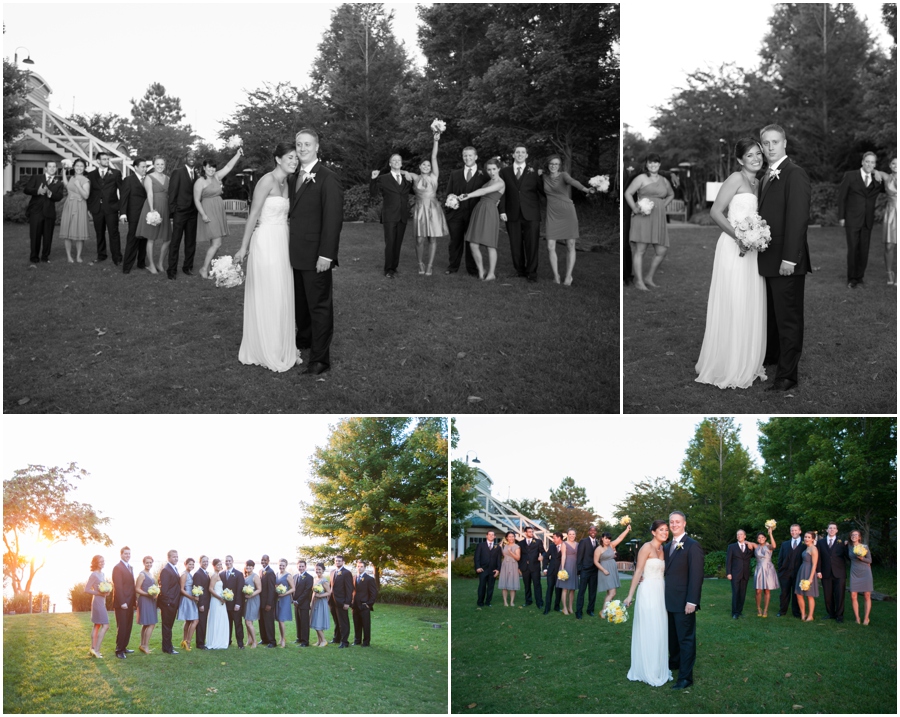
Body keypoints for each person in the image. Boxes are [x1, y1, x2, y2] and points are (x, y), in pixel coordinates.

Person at [695, 138, 768, 389]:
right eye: (749, 155)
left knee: (749, 301)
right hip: (733, 246)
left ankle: (747, 361)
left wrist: (756, 236)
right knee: (734, 300)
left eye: (758, 153)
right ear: (739, 160)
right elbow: (715, 212)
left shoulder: (759, 182)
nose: (756, 158)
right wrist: (740, 237)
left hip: (752, 249)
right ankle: (727, 363)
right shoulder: (735, 179)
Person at [235, 143, 299, 373]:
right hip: (266, 242)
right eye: (290, 157)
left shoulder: (288, 182)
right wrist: (243, 248)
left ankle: (281, 345)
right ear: (278, 159)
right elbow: (253, 214)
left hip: (283, 240)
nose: (294, 161)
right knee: (268, 291)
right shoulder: (266, 180)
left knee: (281, 292)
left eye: (296, 158)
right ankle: (264, 348)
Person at [757, 124, 812, 392]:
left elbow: (798, 219)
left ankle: (788, 375)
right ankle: (773, 358)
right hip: (767, 257)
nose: (770, 147)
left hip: (786, 260)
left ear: (785, 143)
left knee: (788, 318)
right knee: (772, 315)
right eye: (765, 143)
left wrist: (790, 258)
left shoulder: (795, 174)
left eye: (774, 142)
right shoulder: (766, 174)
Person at [289, 129, 343, 376]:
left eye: (307, 144)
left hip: (316, 256)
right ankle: (305, 339)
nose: (302, 148)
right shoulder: (293, 176)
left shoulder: (327, 177)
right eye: (299, 144)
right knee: (301, 305)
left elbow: (333, 220)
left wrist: (326, 255)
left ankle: (320, 359)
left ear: (317, 147)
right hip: (295, 254)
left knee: (319, 307)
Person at [624, 520, 672, 687]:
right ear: (653, 532)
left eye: (666, 530)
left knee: (659, 629)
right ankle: (646, 668)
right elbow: (638, 570)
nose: (665, 532)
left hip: (661, 591)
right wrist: (630, 595)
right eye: (661, 530)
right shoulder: (646, 547)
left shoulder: (664, 549)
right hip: (648, 591)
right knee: (649, 627)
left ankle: (658, 667)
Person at [664, 510, 704, 690]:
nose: (674, 525)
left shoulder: (692, 545)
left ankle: (686, 678)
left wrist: (692, 601)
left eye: (677, 522)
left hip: (684, 603)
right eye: (671, 522)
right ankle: (674, 664)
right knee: (672, 638)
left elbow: (696, 575)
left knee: (686, 640)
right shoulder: (666, 547)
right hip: (668, 601)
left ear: (684, 524)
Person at [401, 133, 449, 275]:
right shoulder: (415, 177)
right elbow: (398, 171)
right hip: (420, 208)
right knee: (419, 239)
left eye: (428, 165)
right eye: (424, 164)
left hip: (433, 208)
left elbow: (434, 156)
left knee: (432, 238)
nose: (427, 166)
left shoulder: (434, 176)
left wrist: (436, 140)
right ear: (420, 166)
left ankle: (430, 265)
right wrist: (406, 173)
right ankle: (420, 263)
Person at [542, 155, 595, 285]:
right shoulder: (543, 177)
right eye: (551, 163)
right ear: (547, 165)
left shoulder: (564, 175)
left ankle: (568, 276)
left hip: (567, 212)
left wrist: (586, 189)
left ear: (559, 166)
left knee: (570, 245)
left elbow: (573, 182)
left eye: (556, 164)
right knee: (550, 246)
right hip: (552, 214)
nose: (553, 166)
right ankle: (556, 276)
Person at [625, 153, 674, 290]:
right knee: (640, 250)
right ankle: (639, 281)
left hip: (658, 218)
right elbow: (628, 193)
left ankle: (648, 277)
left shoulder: (664, 180)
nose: (653, 165)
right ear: (646, 164)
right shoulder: (641, 178)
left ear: (659, 164)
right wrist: (635, 208)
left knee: (662, 251)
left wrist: (662, 205)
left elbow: (671, 194)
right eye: (650, 163)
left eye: (656, 163)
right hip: (643, 216)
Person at [499, 144, 545, 282]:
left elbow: (543, 191)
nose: (519, 154)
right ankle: (520, 270)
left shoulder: (535, 172)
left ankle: (532, 273)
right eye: (517, 152)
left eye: (522, 152)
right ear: (513, 155)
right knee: (515, 244)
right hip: (512, 213)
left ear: (526, 155)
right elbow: (502, 192)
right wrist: (502, 210)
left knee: (532, 244)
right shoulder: (505, 172)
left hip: (531, 213)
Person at [837, 151, 884, 288]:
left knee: (864, 250)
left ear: (875, 165)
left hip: (867, 220)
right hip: (852, 219)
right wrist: (841, 217)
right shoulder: (850, 176)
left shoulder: (877, 179)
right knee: (853, 249)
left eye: (872, 162)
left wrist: (878, 172)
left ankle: (860, 277)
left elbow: (892, 182)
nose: (869, 164)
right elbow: (842, 198)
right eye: (867, 161)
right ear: (862, 162)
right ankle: (852, 279)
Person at [194, 148, 243, 278]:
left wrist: (237, 155)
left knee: (214, 243)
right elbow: (196, 200)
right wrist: (203, 215)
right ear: (204, 168)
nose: (211, 170)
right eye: (209, 167)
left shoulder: (217, 176)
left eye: (213, 168)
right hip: (208, 211)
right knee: (217, 243)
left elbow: (228, 166)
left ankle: (211, 268)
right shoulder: (200, 182)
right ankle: (204, 269)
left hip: (218, 211)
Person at [459, 157, 505, 280]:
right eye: (489, 170)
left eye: (494, 169)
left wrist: (467, 195)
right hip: (479, 210)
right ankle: (481, 271)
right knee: (473, 244)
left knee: (490, 245)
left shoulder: (500, 183)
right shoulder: (489, 180)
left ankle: (491, 274)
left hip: (489, 212)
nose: (491, 172)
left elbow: (484, 191)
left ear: (499, 169)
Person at [443, 145, 485, 276]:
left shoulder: (484, 174)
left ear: (476, 157)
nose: (467, 158)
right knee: (455, 241)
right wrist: (450, 203)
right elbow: (449, 192)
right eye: (465, 155)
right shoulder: (455, 174)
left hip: (474, 213)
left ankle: (472, 269)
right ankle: (453, 266)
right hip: (456, 214)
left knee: (472, 241)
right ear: (462, 157)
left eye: (470, 155)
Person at [370, 153, 412, 278]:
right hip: (389, 216)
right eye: (394, 160)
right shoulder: (383, 178)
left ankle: (394, 267)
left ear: (401, 163)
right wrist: (373, 179)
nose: (396, 162)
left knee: (398, 243)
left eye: (399, 160)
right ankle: (388, 269)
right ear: (390, 164)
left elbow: (416, 190)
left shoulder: (407, 179)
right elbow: (373, 193)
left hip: (402, 216)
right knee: (390, 242)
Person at [85, 152, 123, 264]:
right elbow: (90, 192)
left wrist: (120, 206)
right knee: (99, 233)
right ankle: (101, 255)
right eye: (104, 159)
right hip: (97, 209)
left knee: (114, 233)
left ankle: (117, 257)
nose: (107, 161)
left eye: (108, 159)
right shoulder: (91, 175)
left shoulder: (116, 173)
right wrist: (90, 207)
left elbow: (122, 190)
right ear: (98, 161)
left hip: (111, 208)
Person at [25, 160, 65, 264]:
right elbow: (27, 189)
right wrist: (37, 191)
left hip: (49, 212)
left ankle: (45, 257)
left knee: (48, 236)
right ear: (45, 168)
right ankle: (34, 257)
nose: (52, 168)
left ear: (56, 169)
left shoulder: (59, 183)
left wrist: (50, 193)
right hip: (36, 211)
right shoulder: (37, 178)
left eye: (54, 167)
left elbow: (59, 197)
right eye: (49, 166)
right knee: (35, 235)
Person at [135, 156, 170, 274]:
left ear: (165, 166)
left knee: (168, 238)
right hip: (153, 207)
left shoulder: (168, 178)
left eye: (162, 164)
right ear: (154, 165)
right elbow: (149, 194)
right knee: (151, 238)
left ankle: (160, 263)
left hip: (165, 208)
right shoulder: (149, 178)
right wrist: (152, 211)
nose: (160, 166)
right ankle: (151, 265)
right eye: (158, 164)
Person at [167, 149, 199, 279]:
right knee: (175, 242)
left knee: (190, 242)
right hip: (180, 212)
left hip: (193, 213)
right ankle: (172, 270)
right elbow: (172, 192)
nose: (192, 158)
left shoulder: (197, 175)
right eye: (189, 156)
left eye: (194, 156)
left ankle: (187, 267)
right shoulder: (178, 172)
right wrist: (173, 211)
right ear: (185, 159)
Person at [119, 157, 150, 274]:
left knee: (144, 239)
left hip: (147, 214)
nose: (145, 169)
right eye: (142, 166)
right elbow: (124, 197)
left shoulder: (148, 179)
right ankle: (127, 266)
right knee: (132, 240)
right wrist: (122, 213)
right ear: (135, 167)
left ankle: (141, 263)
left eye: (145, 166)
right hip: (134, 214)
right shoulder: (128, 180)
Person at [594, 524, 632, 617]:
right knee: (612, 592)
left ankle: (606, 610)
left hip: (612, 570)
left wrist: (627, 530)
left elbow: (620, 538)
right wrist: (603, 570)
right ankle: (603, 611)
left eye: (609, 538)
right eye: (606, 538)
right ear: (602, 538)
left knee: (609, 592)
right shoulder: (598, 549)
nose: (608, 540)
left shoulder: (611, 545)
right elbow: (595, 561)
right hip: (605, 571)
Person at [60, 158, 92, 263]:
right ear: (74, 167)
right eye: (77, 166)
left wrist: (79, 185)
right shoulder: (72, 177)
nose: (79, 168)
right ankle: (69, 256)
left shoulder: (85, 180)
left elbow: (86, 196)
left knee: (79, 231)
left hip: (79, 206)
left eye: (81, 166)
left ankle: (78, 256)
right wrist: (64, 172)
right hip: (69, 205)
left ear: (84, 168)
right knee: (67, 231)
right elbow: (67, 185)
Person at [816, 522, 847, 623]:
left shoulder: (842, 542)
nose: (832, 530)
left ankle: (839, 615)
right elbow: (819, 558)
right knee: (827, 595)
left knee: (839, 595)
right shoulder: (821, 542)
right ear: (827, 530)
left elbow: (847, 556)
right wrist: (819, 570)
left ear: (837, 530)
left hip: (839, 573)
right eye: (830, 528)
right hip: (826, 572)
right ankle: (831, 613)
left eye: (834, 528)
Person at [111, 546, 136, 660]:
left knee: (128, 626)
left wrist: (134, 600)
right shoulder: (117, 568)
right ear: (121, 554)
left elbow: (132, 586)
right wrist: (122, 602)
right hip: (122, 603)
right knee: (122, 626)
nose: (128, 555)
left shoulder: (130, 567)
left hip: (130, 602)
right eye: (126, 554)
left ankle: (124, 647)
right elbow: (118, 586)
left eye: (129, 554)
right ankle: (119, 650)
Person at [876, 157, 897, 283]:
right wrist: (877, 172)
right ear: (890, 165)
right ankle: (889, 273)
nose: (896, 165)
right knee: (889, 246)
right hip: (891, 213)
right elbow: (871, 170)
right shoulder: (886, 176)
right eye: (893, 163)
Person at [725, 529, 755, 619]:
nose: (739, 536)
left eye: (741, 534)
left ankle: (739, 611)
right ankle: (734, 612)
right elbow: (728, 561)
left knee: (742, 594)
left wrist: (750, 544)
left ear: (745, 536)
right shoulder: (732, 547)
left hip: (745, 574)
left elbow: (757, 551)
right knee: (736, 593)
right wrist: (728, 573)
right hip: (735, 574)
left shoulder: (749, 547)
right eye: (738, 535)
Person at [776, 524, 804, 618]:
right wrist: (780, 571)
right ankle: (782, 611)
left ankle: (796, 612)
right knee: (784, 593)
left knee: (797, 593)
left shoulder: (804, 544)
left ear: (800, 531)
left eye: (796, 530)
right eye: (792, 530)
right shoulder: (785, 544)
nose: (794, 532)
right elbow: (780, 559)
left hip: (799, 573)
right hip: (785, 573)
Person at [85, 555, 110, 658]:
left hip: (102, 601)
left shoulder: (102, 574)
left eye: (103, 561)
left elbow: (102, 587)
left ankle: (93, 649)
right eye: (100, 562)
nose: (102, 563)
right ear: (95, 563)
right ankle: (97, 651)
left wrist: (107, 591)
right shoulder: (94, 575)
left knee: (97, 625)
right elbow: (86, 589)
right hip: (97, 602)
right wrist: (99, 593)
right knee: (106, 625)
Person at [846, 530, 873, 625]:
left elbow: (870, 560)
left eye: (856, 535)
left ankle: (866, 618)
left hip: (865, 572)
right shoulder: (848, 546)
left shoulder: (865, 547)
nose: (854, 536)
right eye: (852, 534)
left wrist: (862, 558)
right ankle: (857, 618)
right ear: (850, 537)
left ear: (859, 537)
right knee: (853, 596)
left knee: (867, 595)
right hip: (854, 572)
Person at [752, 527, 779, 618]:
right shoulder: (756, 546)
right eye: (759, 538)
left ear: (765, 538)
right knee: (758, 590)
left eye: (762, 537)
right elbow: (746, 542)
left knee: (767, 590)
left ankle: (765, 609)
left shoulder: (768, 546)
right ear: (757, 539)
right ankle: (758, 608)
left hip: (768, 569)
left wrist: (770, 533)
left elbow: (774, 546)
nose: (761, 539)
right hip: (759, 569)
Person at [517, 526, 546, 609]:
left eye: (532, 532)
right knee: (527, 585)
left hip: (535, 567)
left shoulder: (538, 542)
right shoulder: (521, 543)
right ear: (525, 533)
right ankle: (528, 601)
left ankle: (539, 602)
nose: (531, 533)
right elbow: (520, 556)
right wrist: (519, 566)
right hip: (525, 567)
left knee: (537, 585)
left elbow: (544, 552)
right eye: (529, 532)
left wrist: (542, 556)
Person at [220, 555, 245, 649]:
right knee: (227, 624)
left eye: (229, 561)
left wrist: (238, 603)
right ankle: (228, 641)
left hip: (235, 605)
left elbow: (239, 590)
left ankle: (240, 643)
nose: (228, 562)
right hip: (224, 605)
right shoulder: (222, 574)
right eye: (226, 561)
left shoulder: (238, 574)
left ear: (233, 561)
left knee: (237, 623)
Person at [575, 525, 599, 619]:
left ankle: (590, 610)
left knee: (592, 592)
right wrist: (579, 570)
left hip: (594, 571)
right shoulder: (583, 541)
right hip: (585, 571)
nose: (593, 531)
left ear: (596, 532)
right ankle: (579, 612)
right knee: (581, 592)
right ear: (589, 532)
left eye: (594, 530)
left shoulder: (597, 543)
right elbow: (579, 556)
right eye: (591, 530)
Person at [158, 549, 180, 654]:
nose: (176, 558)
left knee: (169, 626)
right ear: (169, 558)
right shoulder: (166, 570)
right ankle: (167, 649)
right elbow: (164, 589)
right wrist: (167, 602)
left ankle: (168, 646)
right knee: (167, 626)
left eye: (177, 556)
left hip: (173, 602)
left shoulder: (174, 569)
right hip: (168, 603)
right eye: (174, 557)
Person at [134, 555, 158, 654]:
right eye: (147, 562)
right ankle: (146, 646)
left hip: (151, 600)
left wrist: (155, 593)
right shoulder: (142, 574)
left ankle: (142, 645)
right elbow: (137, 588)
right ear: (144, 563)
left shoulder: (150, 574)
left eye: (150, 562)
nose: (149, 564)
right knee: (151, 624)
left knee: (146, 624)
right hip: (144, 600)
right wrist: (148, 594)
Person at [352, 559, 378, 647]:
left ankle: (366, 642)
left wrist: (368, 604)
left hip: (364, 606)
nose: (359, 568)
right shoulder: (354, 578)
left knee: (365, 625)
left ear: (365, 568)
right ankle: (357, 640)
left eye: (361, 567)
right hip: (355, 606)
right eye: (358, 566)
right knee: (356, 624)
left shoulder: (369, 579)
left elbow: (373, 593)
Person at [205, 558, 230, 649]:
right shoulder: (215, 575)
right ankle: (215, 641)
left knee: (221, 619)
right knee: (216, 619)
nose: (219, 566)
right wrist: (220, 597)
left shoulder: (218, 575)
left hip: (221, 600)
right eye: (217, 565)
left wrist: (225, 596)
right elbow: (210, 589)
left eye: (220, 564)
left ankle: (220, 640)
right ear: (214, 566)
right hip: (216, 600)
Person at [331, 554, 354, 648]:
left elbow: (349, 589)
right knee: (336, 621)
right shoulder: (332, 572)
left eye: (339, 561)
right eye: (336, 561)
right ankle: (337, 638)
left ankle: (344, 641)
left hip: (342, 601)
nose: (337, 562)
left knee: (343, 622)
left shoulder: (346, 573)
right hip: (332, 601)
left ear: (343, 562)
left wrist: (347, 602)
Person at [795, 531, 819, 621]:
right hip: (802, 571)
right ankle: (803, 614)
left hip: (809, 572)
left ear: (813, 539)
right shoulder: (806, 548)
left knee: (809, 595)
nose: (806, 539)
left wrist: (810, 578)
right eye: (805, 537)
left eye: (809, 537)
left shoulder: (814, 549)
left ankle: (810, 615)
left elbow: (814, 565)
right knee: (799, 594)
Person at [176, 557, 199, 650]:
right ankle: (188, 642)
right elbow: (181, 589)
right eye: (190, 564)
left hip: (190, 598)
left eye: (193, 564)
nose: (191, 566)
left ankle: (184, 640)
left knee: (189, 621)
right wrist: (192, 597)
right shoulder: (184, 574)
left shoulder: (189, 574)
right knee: (195, 620)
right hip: (187, 598)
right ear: (185, 564)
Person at [474, 530, 501, 608]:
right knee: (482, 586)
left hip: (492, 570)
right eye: (489, 534)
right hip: (483, 569)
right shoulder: (481, 545)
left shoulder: (497, 547)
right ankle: (480, 602)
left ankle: (488, 602)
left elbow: (499, 559)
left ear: (495, 536)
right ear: (486, 536)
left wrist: (498, 569)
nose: (491, 536)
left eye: (493, 535)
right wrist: (478, 567)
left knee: (490, 587)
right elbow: (477, 557)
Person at [557, 529, 579, 615]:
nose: (572, 536)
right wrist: (562, 568)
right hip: (567, 566)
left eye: (573, 534)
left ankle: (570, 607)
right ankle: (564, 608)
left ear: (575, 535)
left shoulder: (578, 544)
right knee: (565, 588)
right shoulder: (564, 544)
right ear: (567, 535)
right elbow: (563, 556)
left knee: (572, 589)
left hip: (575, 567)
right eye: (570, 534)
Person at [542, 532, 564, 615]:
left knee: (558, 590)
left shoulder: (565, 546)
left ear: (559, 538)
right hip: (551, 571)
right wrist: (545, 568)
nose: (553, 539)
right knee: (549, 589)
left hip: (561, 572)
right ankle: (547, 608)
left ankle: (557, 606)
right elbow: (546, 557)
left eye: (554, 538)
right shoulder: (551, 547)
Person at [292, 559, 313, 646]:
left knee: (304, 622)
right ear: (297, 567)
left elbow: (307, 591)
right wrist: (293, 600)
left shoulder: (309, 577)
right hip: (296, 603)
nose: (301, 568)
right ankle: (299, 637)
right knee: (298, 621)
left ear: (305, 567)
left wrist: (298, 601)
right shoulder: (295, 576)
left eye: (302, 566)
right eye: (299, 566)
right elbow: (293, 589)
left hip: (304, 603)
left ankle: (305, 641)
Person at [310, 562, 332, 647]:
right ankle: (319, 641)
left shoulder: (324, 580)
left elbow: (329, 592)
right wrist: (311, 602)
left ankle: (323, 640)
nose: (318, 571)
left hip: (321, 602)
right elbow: (313, 593)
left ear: (323, 570)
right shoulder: (315, 579)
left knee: (318, 622)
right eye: (316, 569)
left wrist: (320, 595)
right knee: (315, 621)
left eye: (319, 569)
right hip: (315, 602)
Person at [274, 558, 295, 647]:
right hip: (277, 599)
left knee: (282, 619)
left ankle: (283, 639)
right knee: (279, 620)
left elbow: (293, 588)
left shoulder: (288, 576)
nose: (281, 567)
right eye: (280, 565)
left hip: (285, 599)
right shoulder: (277, 574)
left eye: (283, 565)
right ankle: (281, 638)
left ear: (286, 566)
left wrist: (284, 593)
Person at [498, 531, 522, 607]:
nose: (511, 538)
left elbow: (518, 558)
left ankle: (512, 602)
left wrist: (510, 552)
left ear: (514, 537)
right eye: (509, 536)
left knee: (512, 583)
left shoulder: (517, 547)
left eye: (512, 536)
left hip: (513, 565)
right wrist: (501, 548)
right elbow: (505, 555)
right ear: (507, 538)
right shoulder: (505, 546)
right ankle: (505, 601)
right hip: (505, 565)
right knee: (504, 584)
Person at [192, 556, 211, 649]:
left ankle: (202, 641)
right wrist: (201, 604)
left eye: (207, 561)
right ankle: (200, 643)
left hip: (207, 602)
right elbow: (197, 590)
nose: (206, 563)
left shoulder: (205, 573)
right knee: (201, 623)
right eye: (204, 561)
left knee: (204, 622)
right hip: (202, 603)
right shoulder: (198, 574)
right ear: (200, 562)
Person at [259, 554, 277, 647]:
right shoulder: (261, 571)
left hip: (267, 603)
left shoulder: (270, 572)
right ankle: (264, 639)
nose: (263, 561)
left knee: (269, 622)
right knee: (262, 622)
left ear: (268, 561)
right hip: (261, 602)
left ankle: (272, 641)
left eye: (265, 560)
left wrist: (269, 603)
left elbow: (271, 589)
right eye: (262, 560)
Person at [242, 559, 261, 648]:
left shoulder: (255, 576)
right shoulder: (245, 576)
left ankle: (254, 641)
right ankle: (249, 640)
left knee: (248, 622)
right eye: (247, 566)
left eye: (250, 566)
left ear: (253, 567)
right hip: (247, 601)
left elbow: (259, 589)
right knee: (247, 622)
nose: (248, 567)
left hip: (253, 600)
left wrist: (251, 595)